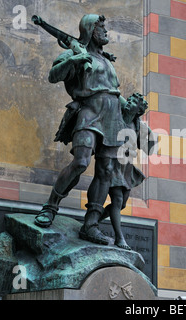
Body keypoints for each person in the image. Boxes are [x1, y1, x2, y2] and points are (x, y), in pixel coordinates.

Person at [34, 14, 134, 246]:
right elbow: (53, 76)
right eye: (101, 28)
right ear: (90, 30)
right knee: (80, 162)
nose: (106, 31)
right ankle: (50, 207)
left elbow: (114, 91)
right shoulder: (75, 51)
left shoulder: (107, 60)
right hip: (89, 112)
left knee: (106, 171)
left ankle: (91, 225)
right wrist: (76, 59)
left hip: (113, 117)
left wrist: (130, 109)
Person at [98, 93, 152, 250]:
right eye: (130, 100)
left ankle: (94, 219)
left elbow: (150, 147)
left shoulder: (136, 125)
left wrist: (146, 132)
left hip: (127, 168)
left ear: (139, 110)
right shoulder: (118, 116)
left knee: (121, 204)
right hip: (113, 163)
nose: (130, 102)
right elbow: (115, 94)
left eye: (134, 102)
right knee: (117, 200)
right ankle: (119, 238)